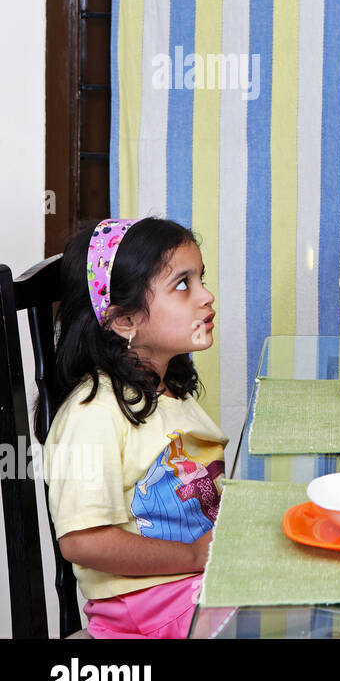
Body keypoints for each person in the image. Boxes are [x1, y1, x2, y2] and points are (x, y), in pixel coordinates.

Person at [43, 218, 226, 639]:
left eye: (201, 279)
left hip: (188, 589)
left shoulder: (168, 390)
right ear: (124, 322)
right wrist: (195, 554)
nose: (206, 295)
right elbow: (82, 541)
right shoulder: (93, 414)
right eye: (183, 285)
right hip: (146, 609)